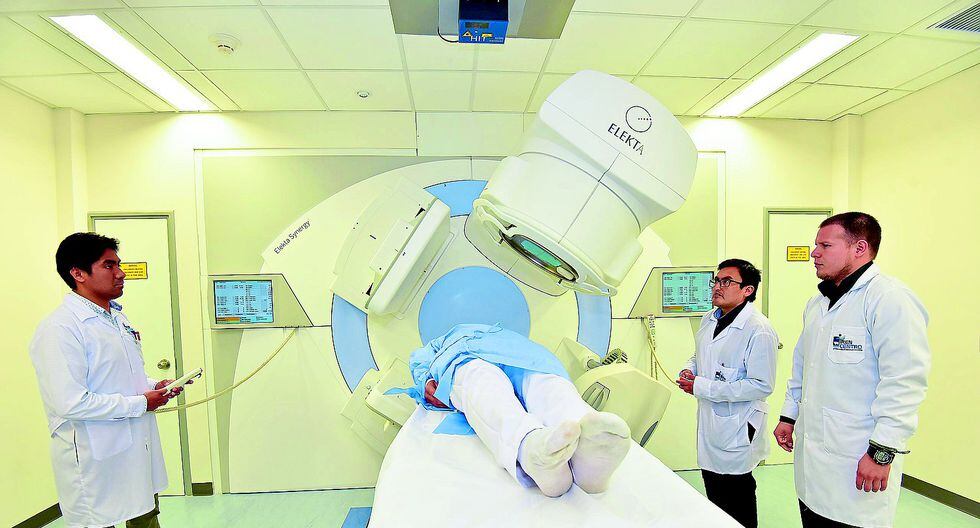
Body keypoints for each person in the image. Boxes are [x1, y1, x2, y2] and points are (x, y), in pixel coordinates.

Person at [773, 212, 930, 528]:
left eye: (825, 245)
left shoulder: (889, 299)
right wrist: (788, 416)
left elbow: (904, 382)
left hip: (858, 459)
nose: (814, 253)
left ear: (859, 248)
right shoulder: (817, 304)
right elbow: (802, 367)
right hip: (814, 463)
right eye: (816, 245)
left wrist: (883, 451)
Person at [29, 233, 184, 528]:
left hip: (135, 450)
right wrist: (141, 403)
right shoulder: (60, 328)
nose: (121, 273)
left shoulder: (117, 319)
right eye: (109, 265)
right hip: (95, 459)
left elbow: (121, 375)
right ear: (78, 273)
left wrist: (154, 386)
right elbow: (69, 402)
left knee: (145, 516)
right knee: (100, 519)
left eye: (119, 265)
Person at [393, 323, 632, 497]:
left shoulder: (501, 332)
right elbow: (419, 363)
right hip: (464, 360)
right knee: (481, 383)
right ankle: (532, 449)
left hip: (521, 356)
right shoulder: (442, 343)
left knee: (546, 382)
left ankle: (589, 447)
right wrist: (426, 381)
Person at [676, 259, 778, 528]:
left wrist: (701, 386)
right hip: (711, 424)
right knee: (714, 495)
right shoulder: (709, 319)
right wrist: (689, 369)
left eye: (726, 282)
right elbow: (700, 354)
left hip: (737, 426)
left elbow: (761, 385)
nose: (717, 287)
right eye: (716, 281)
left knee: (737, 501)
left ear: (747, 290)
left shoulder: (759, 330)